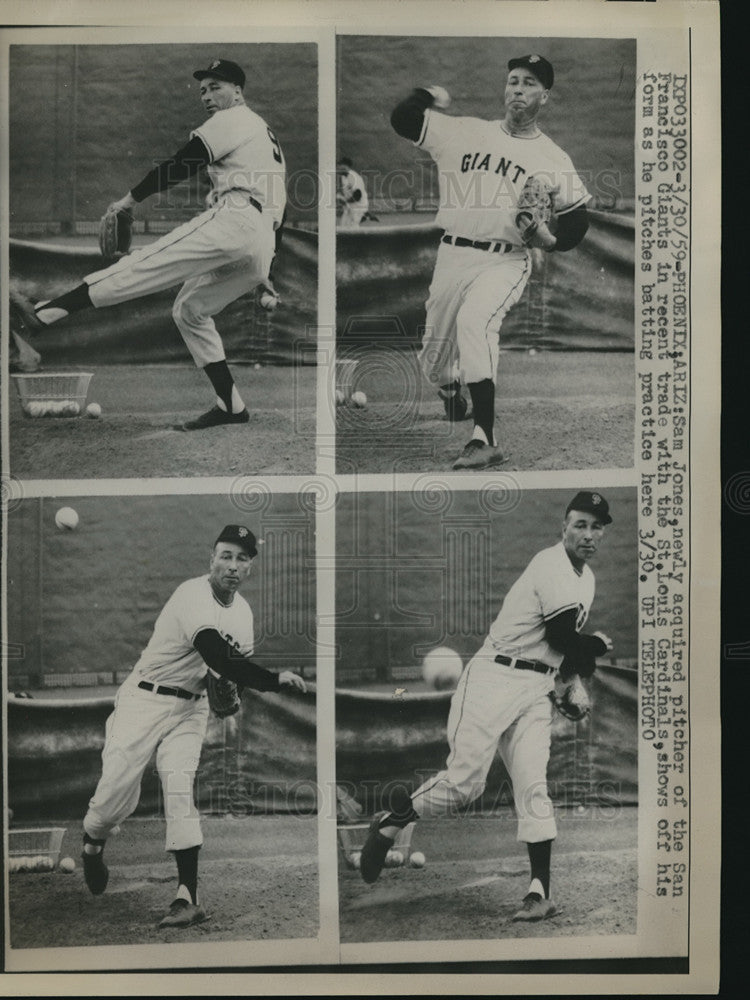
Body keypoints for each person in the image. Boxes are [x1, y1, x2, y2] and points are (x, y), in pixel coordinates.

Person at [360, 491, 613, 923]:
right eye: (580, 524)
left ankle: (539, 892)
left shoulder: (585, 579)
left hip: (535, 688)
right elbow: (561, 637)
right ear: (564, 528)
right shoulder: (550, 564)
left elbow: (560, 651)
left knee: (533, 786)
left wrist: (570, 682)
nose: (588, 534)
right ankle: (390, 823)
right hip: (492, 679)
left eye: (596, 527)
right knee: (465, 785)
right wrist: (597, 646)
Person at [27, 58, 287, 431]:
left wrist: (129, 200)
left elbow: (183, 163)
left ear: (237, 92)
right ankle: (230, 404)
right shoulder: (263, 131)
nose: (207, 96)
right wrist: (266, 267)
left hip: (237, 217)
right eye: (202, 90)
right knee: (190, 310)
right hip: (260, 238)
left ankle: (48, 312)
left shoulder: (233, 119)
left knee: (148, 261)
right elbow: (282, 205)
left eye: (216, 87)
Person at [80, 524, 307, 929]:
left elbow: (224, 676)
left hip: (190, 708)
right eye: (225, 556)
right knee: (111, 795)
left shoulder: (243, 613)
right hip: (144, 700)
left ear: (250, 568)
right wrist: (273, 681)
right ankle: (93, 844)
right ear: (211, 559)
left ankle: (188, 896)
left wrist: (227, 691)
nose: (232, 566)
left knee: (179, 783)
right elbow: (218, 655)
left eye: (241, 559)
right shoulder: (191, 595)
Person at [390, 55, 591, 470]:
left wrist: (548, 240)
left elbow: (577, 222)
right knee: (432, 362)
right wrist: (428, 94)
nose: (518, 88)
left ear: (545, 96)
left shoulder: (554, 159)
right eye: (513, 81)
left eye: (530, 83)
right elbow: (403, 119)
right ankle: (449, 391)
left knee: (476, 323)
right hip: (453, 256)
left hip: (505, 261)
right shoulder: (464, 131)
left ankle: (485, 437)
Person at [336, 157, 369, 228]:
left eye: (339, 165)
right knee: (344, 226)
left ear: (345, 166)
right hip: (351, 207)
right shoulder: (344, 177)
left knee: (351, 228)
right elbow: (349, 193)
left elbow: (358, 195)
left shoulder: (353, 176)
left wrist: (345, 200)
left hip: (359, 207)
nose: (337, 168)